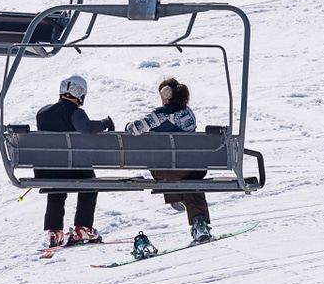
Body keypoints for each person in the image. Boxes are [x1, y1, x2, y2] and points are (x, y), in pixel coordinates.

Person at [126, 78, 212, 243]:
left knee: (171, 170)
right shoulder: (189, 114)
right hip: (193, 169)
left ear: (166, 94)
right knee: (190, 181)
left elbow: (133, 129)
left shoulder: (159, 116)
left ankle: (179, 199)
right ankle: (199, 224)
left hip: (166, 171)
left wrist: (129, 124)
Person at [35, 75, 114, 247]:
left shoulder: (42, 113)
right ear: (80, 94)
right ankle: (82, 227)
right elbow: (86, 128)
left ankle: (54, 232)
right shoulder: (75, 112)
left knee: (56, 189)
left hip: (48, 171)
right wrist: (105, 122)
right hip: (72, 168)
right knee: (90, 184)